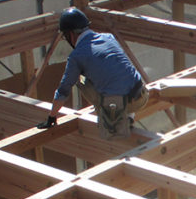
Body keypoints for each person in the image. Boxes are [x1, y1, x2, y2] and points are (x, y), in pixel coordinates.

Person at [37, 7, 149, 138]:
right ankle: (128, 115)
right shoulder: (109, 37)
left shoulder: (77, 56)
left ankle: (112, 120)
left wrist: (52, 117)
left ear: (70, 34)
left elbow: (63, 90)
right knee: (115, 73)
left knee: (80, 79)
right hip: (141, 95)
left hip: (121, 104)